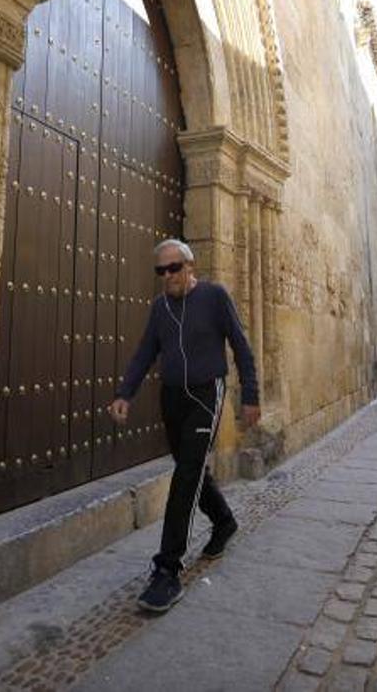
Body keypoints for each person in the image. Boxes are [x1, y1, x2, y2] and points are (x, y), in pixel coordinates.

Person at [111, 238, 260, 613]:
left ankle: (167, 569)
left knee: (186, 475)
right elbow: (146, 351)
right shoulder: (159, 308)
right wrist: (124, 393)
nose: (168, 276)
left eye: (174, 268)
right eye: (161, 271)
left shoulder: (214, 296)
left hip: (206, 393)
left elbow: (241, 346)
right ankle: (224, 521)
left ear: (190, 266)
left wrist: (251, 396)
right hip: (173, 397)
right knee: (188, 469)